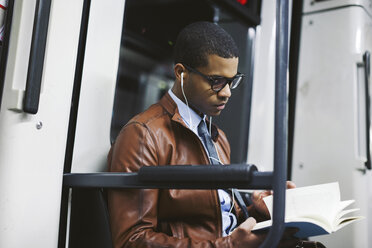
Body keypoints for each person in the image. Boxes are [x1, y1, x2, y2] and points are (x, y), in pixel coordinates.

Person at [107, 22, 311, 247]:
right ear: (181, 73)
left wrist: (258, 211)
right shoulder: (144, 135)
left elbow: (220, 219)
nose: (226, 93)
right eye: (216, 81)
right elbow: (131, 241)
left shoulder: (217, 137)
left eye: (232, 81)